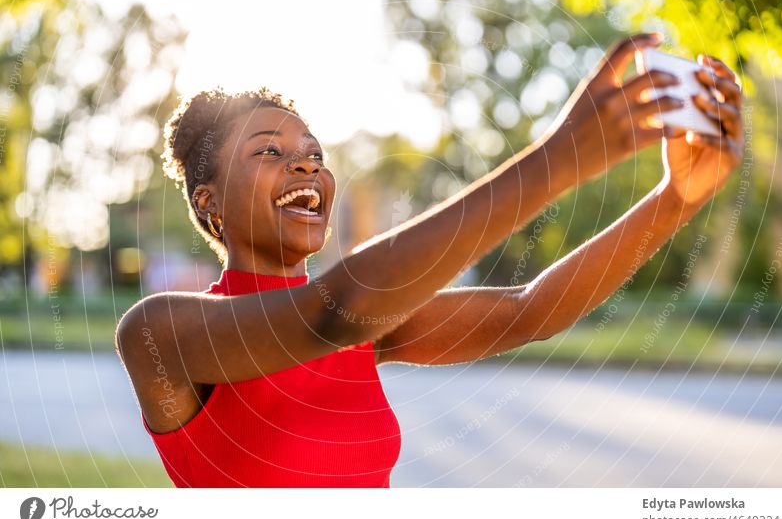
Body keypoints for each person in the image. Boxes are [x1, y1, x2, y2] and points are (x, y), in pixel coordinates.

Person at [115, 32, 744, 487]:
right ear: (211, 203)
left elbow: (529, 312)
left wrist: (676, 200)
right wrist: (554, 163)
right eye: (268, 152)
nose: (305, 163)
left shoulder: (366, 329)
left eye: (312, 151)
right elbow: (332, 310)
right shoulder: (160, 332)